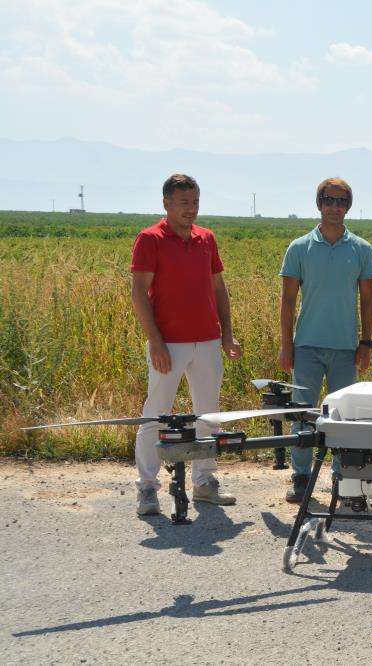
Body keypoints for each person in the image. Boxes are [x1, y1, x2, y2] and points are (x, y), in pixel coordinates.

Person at [130, 173, 243, 516]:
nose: (191, 209)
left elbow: (219, 288)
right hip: (169, 344)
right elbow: (139, 293)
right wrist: (156, 342)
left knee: (209, 415)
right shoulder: (150, 239)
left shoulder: (206, 238)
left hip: (208, 341)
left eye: (195, 202)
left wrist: (227, 334)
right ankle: (147, 488)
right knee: (155, 415)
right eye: (184, 203)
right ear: (166, 203)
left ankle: (204, 482)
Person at [279, 177, 372, 502]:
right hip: (306, 345)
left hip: (346, 347)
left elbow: (368, 300)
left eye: (341, 201)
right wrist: (286, 345)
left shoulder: (361, 249)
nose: (335, 207)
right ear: (319, 204)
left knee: (343, 417)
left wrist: (366, 343)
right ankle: (301, 477)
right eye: (329, 200)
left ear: (348, 206)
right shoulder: (299, 247)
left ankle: (342, 478)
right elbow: (287, 301)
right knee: (303, 414)